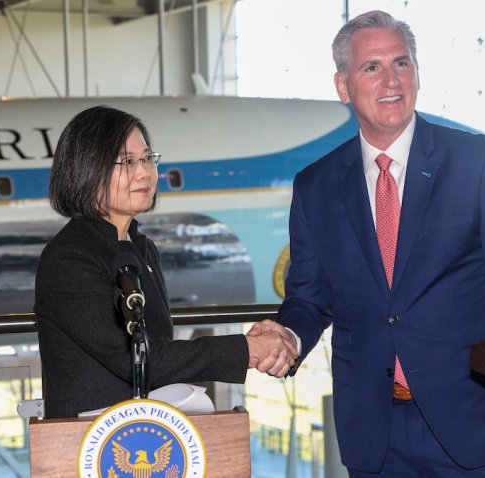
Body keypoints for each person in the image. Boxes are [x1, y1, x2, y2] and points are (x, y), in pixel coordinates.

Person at [249, 10, 485, 478]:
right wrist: (287, 338)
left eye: (402, 63)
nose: (391, 79)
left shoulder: (477, 161)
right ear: (343, 85)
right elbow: (309, 297)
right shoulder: (315, 186)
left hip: (479, 428)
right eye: (372, 67)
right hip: (374, 434)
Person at [34, 105, 295, 418]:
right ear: (87, 170)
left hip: (144, 431)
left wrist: (249, 347)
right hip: (88, 446)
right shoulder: (70, 258)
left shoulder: (140, 249)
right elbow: (137, 359)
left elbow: (157, 347)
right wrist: (246, 350)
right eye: (128, 162)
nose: (144, 172)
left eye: (146, 158)